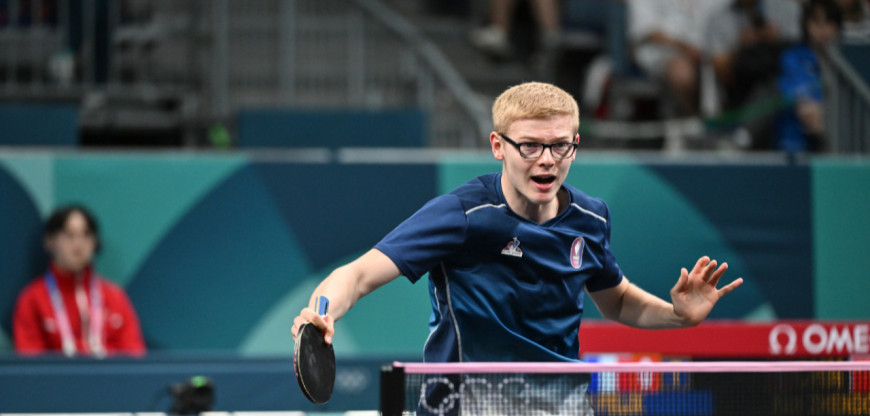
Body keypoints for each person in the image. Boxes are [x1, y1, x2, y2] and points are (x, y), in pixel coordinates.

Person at [292, 82, 742, 364]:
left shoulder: (591, 218)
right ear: (498, 145)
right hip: (463, 414)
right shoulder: (462, 214)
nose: (546, 160)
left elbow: (617, 301)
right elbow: (358, 275)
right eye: (529, 146)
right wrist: (322, 312)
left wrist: (677, 316)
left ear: (575, 145)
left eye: (560, 146)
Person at [13, 204, 146, 357]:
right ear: (50, 241)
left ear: (95, 243)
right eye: (69, 235)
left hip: (109, 373)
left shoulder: (115, 297)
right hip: (56, 374)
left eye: (86, 235)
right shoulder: (32, 299)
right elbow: (30, 361)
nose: (78, 243)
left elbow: (134, 356)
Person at [627, 0, 724, 115]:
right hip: (663, 52)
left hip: (712, 48)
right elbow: (649, 31)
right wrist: (686, 49)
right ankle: (693, 118)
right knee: (682, 74)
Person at [776, 0, 843, 152]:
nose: (822, 29)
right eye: (816, 22)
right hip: (795, 142)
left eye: (829, 22)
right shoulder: (792, 57)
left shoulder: (846, 62)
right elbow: (802, 97)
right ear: (806, 25)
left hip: (840, 142)